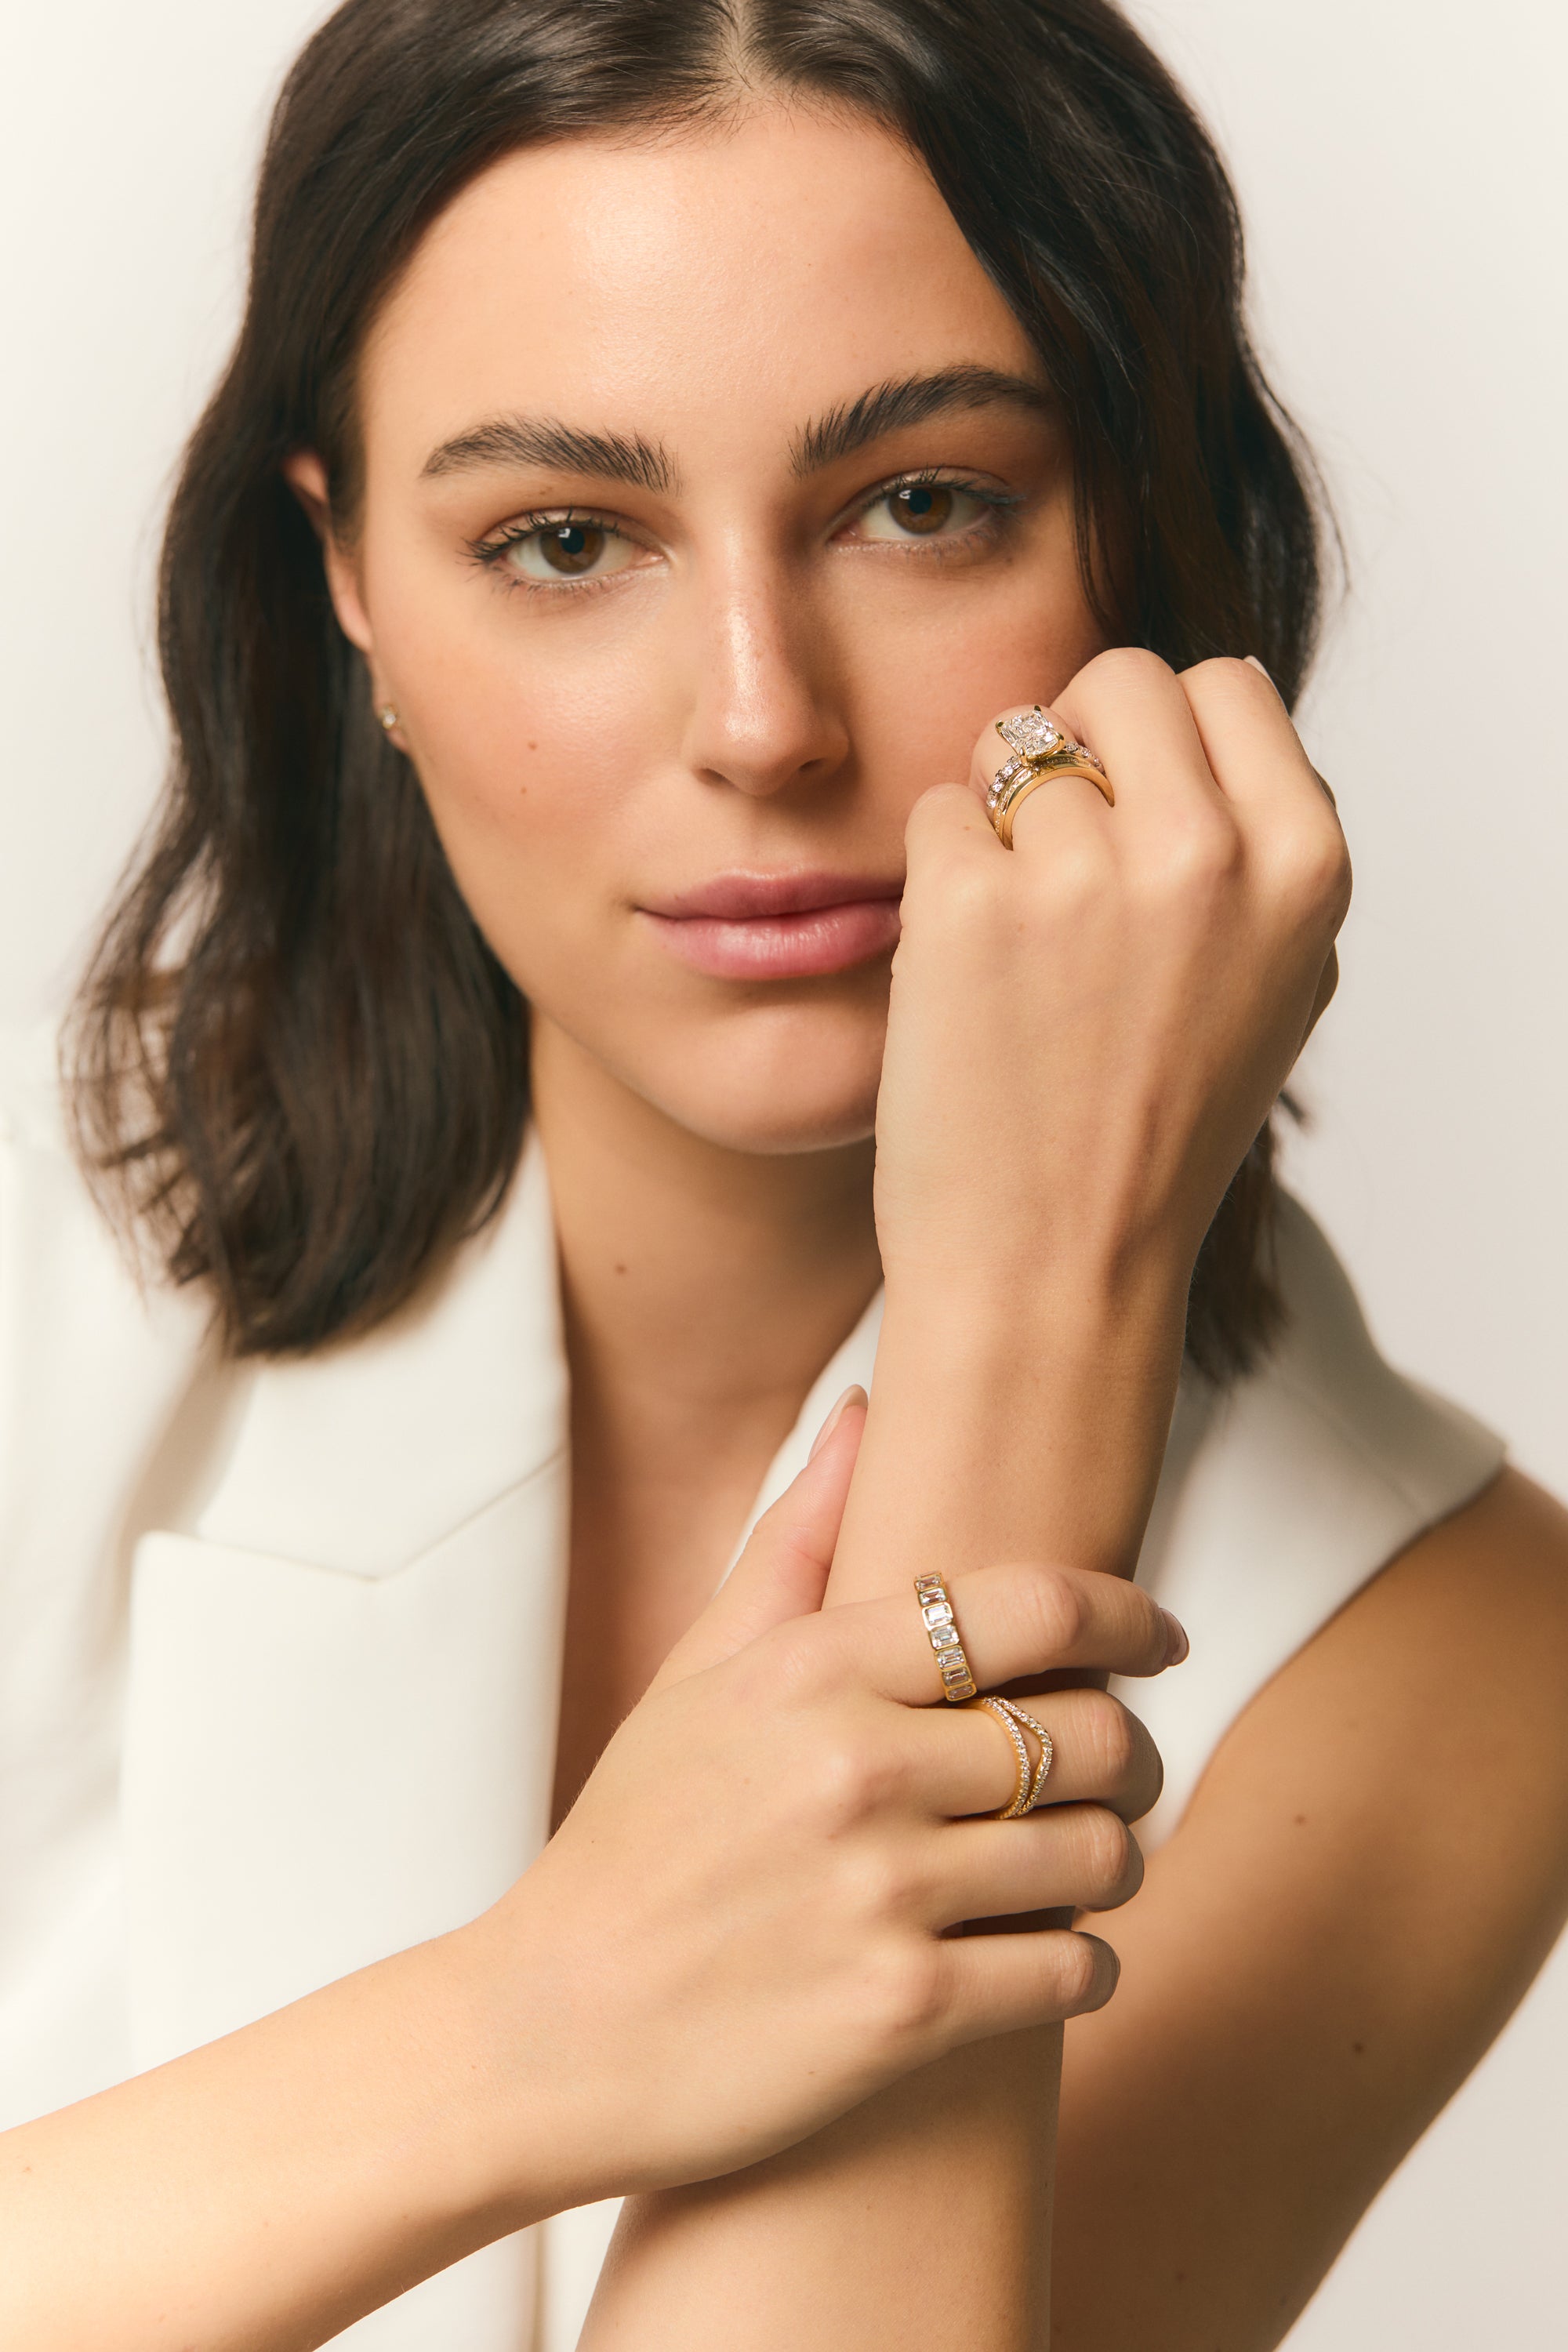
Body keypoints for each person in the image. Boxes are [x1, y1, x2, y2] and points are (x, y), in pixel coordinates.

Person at [2, 2, 1566, 2346]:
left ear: (1140, 528)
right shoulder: (52, 1272)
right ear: (348, 588)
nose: (762, 718)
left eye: (924, 503)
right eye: (561, 538)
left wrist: (1033, 1307)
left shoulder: (1451, 1644)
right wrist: (541, 2026)